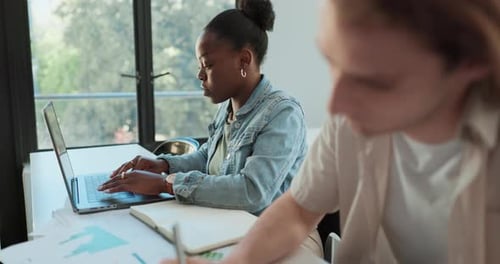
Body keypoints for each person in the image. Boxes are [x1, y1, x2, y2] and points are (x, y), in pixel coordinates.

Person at [162, 0, 500, 263]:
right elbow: (298, 209)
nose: (336, 106)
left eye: (372, 81)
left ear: (467, 64)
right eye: (332, 62)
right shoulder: (353, 124)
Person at [98, 0, 323, 257]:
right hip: (231, 230)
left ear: (244, 60)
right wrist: (163, 165)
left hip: (282, 239)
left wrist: (166, 184)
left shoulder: (283, 114)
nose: (200, 75)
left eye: (208, 65)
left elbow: (252, 192)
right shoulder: (228, 108)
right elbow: (206, 158)